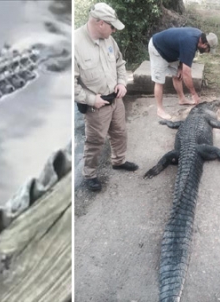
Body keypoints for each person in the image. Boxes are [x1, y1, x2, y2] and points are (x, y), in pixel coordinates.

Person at [74, 2, 138, 192]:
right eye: (112, 26)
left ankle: (119, 161)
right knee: (95, 142)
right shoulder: (74, 44)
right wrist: (92, 100)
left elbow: (119, 63)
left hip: (116, 98)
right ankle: (90, 174)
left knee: (120, 132)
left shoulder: (109, 39)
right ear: (100, 23)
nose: (114, 30)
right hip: (96, 104)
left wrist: (122, 82)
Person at [148, 27, 218, 119]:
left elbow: (182, 48)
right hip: (157, 48)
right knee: (159, 81)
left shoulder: (198, 37)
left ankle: (182, 99)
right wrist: (194, 94)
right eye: (208, 50)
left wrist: (181, 66)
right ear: (205, 45)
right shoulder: (190, 43)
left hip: (171, 51)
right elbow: (187, 73)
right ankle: (160, 110)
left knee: (178, 75)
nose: (207, 52)